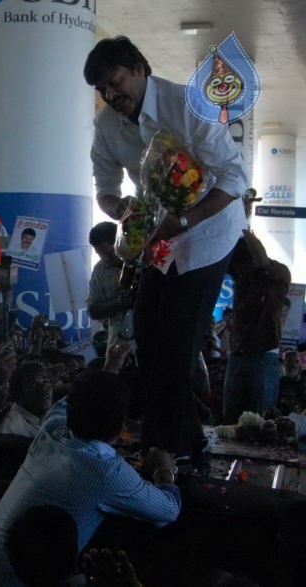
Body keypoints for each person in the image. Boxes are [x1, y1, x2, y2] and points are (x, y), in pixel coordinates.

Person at [85, 36, 249, 465]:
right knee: (148, 335)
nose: (109, 95)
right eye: (101, 89)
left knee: (176, 345)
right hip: (158, 241)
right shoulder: (106, 125)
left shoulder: (188, 106)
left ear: (140, 68)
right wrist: (121, 209)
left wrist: (186, 220)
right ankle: (179, 441)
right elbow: (105, 190)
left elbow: (234, 178)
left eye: (115, 82)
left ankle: (166, 450)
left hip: (207, 235)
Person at [0, 369, 181, 583]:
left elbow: (70, 401)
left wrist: (112, 364)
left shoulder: (51, 428)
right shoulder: (105, 471)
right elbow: (169, 510)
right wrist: (164, 470)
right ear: (121, 425)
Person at [223, 230, 290, 423]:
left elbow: (262, 261)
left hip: (263, 355)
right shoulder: (241, 281)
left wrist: (241, 226)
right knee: (231, 422)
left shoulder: (278, 275)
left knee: (259, 423)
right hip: (237, 355)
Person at [86, 222, 131, 348]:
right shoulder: (99, 270)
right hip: (117, 342)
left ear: (121, 242)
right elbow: (93, 310)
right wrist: (119, 302)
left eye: (110, 253)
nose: (106, 259)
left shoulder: (145, 259)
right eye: (100, 254)